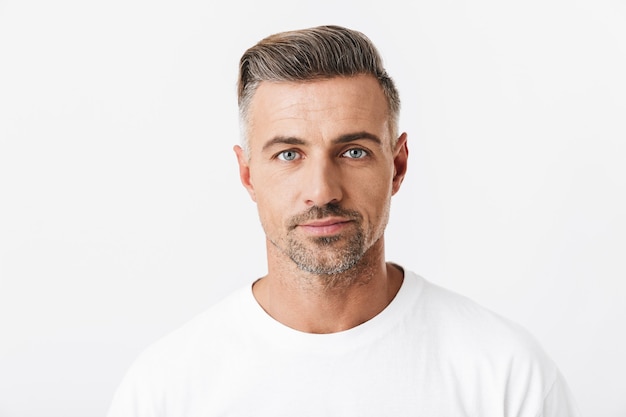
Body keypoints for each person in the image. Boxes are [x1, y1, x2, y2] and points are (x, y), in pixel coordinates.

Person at [107, 25, 580, 416]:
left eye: (353, 152)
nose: (323, 190)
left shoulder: (507, 376)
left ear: (397, 166)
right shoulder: (164, 392)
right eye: (289, 154)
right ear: (248, 175)